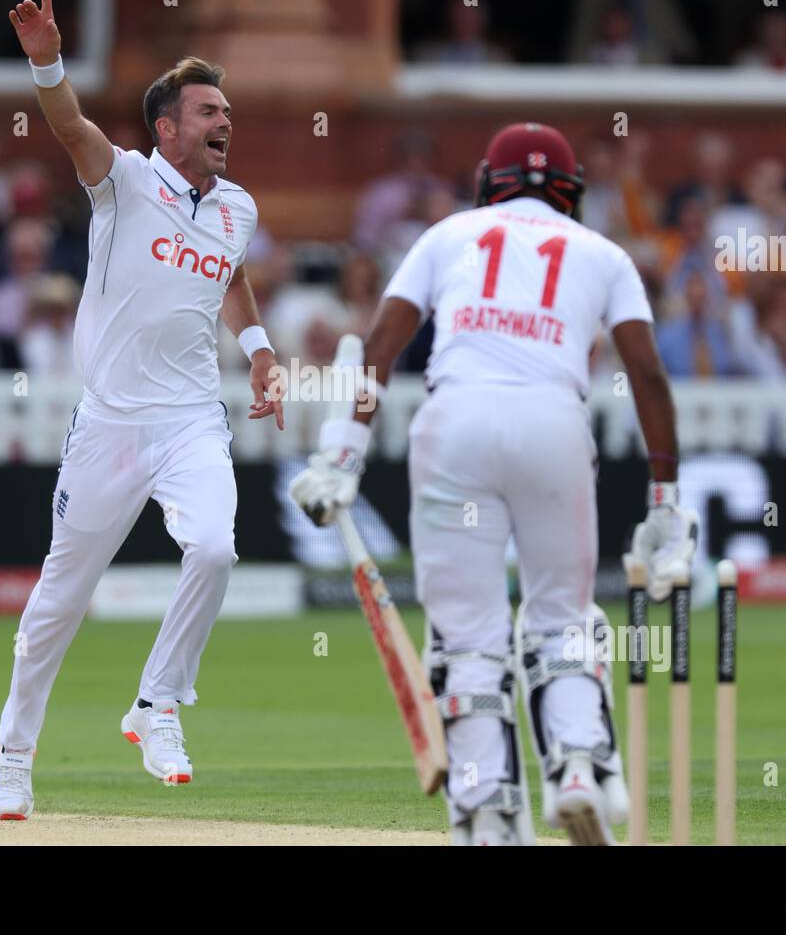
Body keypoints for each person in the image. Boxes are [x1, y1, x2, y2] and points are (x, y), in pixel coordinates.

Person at [290, 123, 695, 846]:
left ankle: (485, 809)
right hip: (553, 427)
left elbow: (380, 347)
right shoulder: (604, 254)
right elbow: (649, 375)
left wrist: (342, 454)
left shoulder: (449, 234)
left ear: (489, 182)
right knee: (561, 620)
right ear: (568, 191)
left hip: (454, 426)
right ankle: (577, 767)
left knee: (468, 640)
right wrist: (665, 499)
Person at [0, 0, 284, 820]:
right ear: (167, 128)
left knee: (217, 550)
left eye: (227, 112)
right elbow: (72, 128)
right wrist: (47, 63)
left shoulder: (238, 208)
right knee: (57, 604)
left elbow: (230, 280)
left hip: (193, 419)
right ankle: (12, 757)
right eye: (208, 112)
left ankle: (156, 705)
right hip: (110, 425)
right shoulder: (121, 179)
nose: (224, 123)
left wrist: (260, 355)